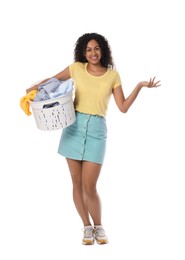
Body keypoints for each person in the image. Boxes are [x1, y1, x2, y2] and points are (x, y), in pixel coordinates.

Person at [26, 32, 160, 245]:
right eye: (88, 49)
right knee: (76, 183)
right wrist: (33, 88)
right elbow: (54, 80)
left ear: (102, 50)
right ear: (83, 52)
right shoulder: (76, 68)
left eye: (96, 48)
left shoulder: (112, 75)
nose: (92, 53)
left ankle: (99, 226)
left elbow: (123, 107)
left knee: (90, 186)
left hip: (97, 131)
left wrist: (140, 86)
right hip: (73, 127)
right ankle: (86, 227)